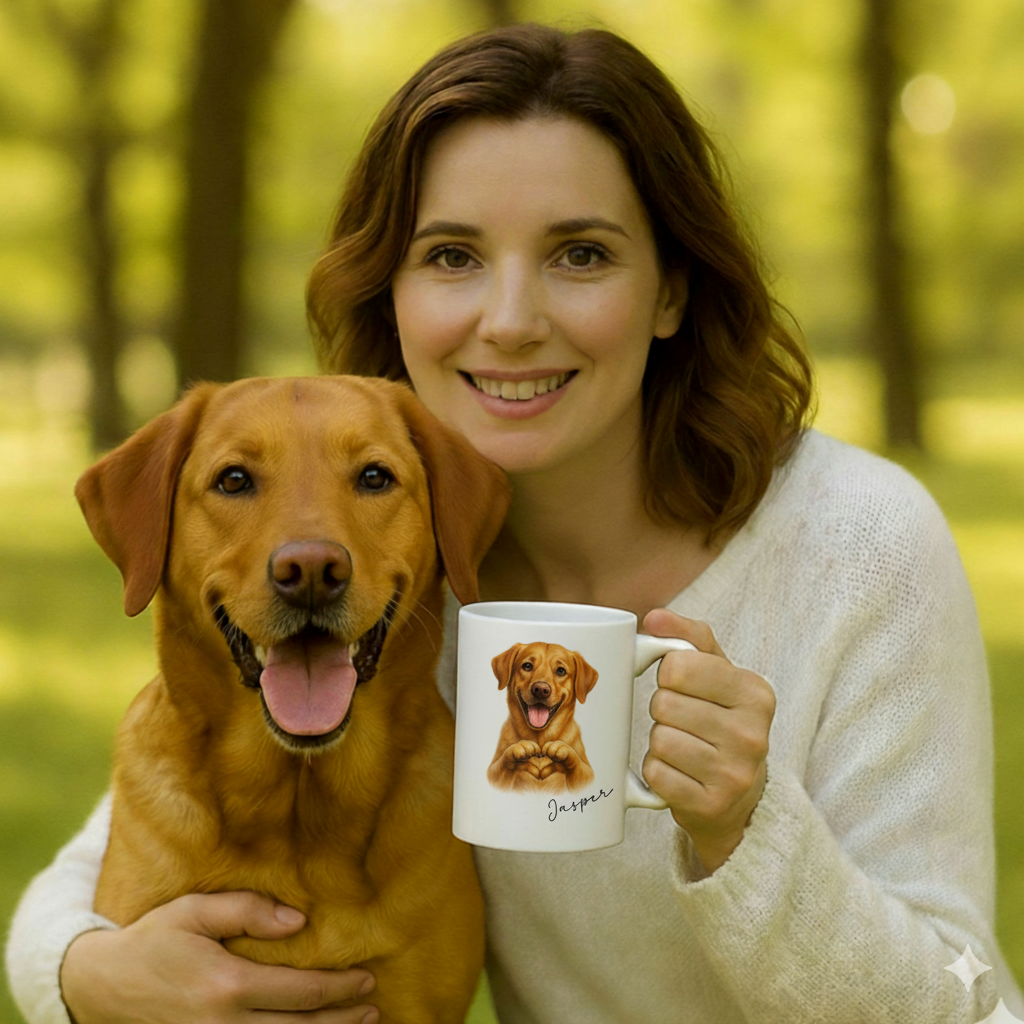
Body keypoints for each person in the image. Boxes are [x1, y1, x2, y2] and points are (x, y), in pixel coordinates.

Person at [6, 22, 1022, 1024]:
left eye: (580, 254)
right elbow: (114, 848)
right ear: (392, 295)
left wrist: (743, 827)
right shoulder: (393, 575)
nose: (510, 320)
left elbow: (962, 1002)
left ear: (670, 289)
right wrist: (83, 978)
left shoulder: (859, 547)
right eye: (451, 256)